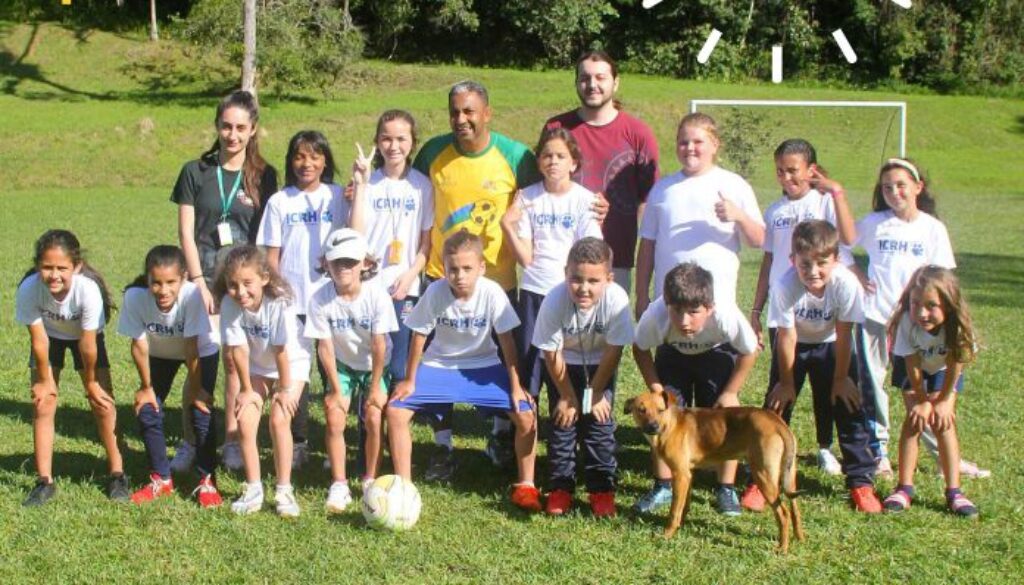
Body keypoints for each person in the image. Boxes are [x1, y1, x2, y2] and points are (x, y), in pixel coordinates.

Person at [412, 80, 540, 478]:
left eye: (469, 111)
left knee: (503, 360)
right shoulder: (433, 152)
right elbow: (408, 194)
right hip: (439, 278)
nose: (461, 119)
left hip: (497, 282)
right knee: (438, 363)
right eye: (455, 111)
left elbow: (545, 197)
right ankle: (442, 447)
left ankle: (500, 436)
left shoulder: (516, 156)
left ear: (487, 113)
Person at [386, 231, 541, 512]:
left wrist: (517, 387)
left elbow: (507, 343)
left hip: (484, 365)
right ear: (444, 267)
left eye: (467, 268)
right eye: (452, 269)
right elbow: (419, 336)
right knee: (396, 411)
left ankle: (526, 485)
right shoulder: (435, 292)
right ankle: (403, 488)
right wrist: (410, 380)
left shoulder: (492, 292)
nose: (459, 275)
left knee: (526, 413)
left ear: (481, 267)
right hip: (438, 365)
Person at [853, 158, 988, 479]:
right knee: (873, 387)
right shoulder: (873, 222)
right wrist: (856, 273)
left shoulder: (932, 228)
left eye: (901, 185)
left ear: (917, 187)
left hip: (918, 325)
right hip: (875, 318)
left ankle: (944, 459)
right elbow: (842, 245)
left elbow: (944, 280)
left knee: (925, 392)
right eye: (887, 187)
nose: (894, 192)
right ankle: (878, 455)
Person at [171, 90, 279, 471]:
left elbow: (268, 233)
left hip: (241, 288)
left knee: (236, 363)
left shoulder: (265, 176)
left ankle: (232, 439)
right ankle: (189, 440)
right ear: (217, 126)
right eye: (225, 126)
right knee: (198, 364)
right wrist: (199, 281)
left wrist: (259, 287)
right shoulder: (194, 172)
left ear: (253, 130)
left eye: (240, 128)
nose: (232, 135)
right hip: (201, 280)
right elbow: (186, 232)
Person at [742, 221, 881, 514]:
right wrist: (787, 382)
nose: (813, 271)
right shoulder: (784, 285)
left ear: (837, 260)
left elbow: (845, 334)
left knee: (849, 406)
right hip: (796, 345)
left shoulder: (845, 284)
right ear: (793, 261)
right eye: (805, 264)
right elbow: (787, 336)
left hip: (832, 344)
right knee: (776, 409)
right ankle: (760, 478)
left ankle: (860, 482)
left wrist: (842, 378)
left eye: (822, 263)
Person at [751, 139, 857, 475]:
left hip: (823, 305)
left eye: (792, 170)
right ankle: (774, 456)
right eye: (780, 170)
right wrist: (756, 309)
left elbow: (849, 238)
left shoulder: (823, 201)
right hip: (786, 307)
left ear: (810, 170)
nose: (786, 177)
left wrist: (837, 191)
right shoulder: (774, 211)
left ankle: (825, 447)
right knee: (784, 385)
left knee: (828, 386)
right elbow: (768, 261)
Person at [632, 263, 759, 516]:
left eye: (693, 312)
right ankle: (663, 484)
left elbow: (750, 350)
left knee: (724, 419)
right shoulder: (656, 315)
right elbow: (639, 347)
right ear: (666, 302)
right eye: (676, 311)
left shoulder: (725, 315)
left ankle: (726, 487)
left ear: (709, 308)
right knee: (664, 417)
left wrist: (731, 391)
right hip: (673, 355)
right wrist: (656, 388)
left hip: (716, 354)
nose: (684, 321)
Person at [257, 130, 349, 469]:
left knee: (331, 372)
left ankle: (333, 441)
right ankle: (298, 441)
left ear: (325, 160)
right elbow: (272, 255)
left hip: (329, 301)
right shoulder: (280, 201)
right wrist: (275, 293)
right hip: (291, 304)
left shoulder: (338, 196)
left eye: (314, 156)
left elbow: (353, 234)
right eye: (299, 156)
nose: (306, 163)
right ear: (290, 161)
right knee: (296, 375)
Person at [16, 229, 129, 506]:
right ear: (37, 266)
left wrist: (91, 383)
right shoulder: (29, 287)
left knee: (102, 403)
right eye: (46, 267)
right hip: (49, 337)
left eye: (61, 268)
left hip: (84, 338)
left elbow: (88, 345)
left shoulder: (88, 289)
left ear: (76, 266)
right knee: (43, 403)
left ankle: (117, 473)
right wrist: (44, 380)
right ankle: (44, 481)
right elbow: (39, 339)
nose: (54, 274)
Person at [531, 238, 633, 517]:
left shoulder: (617, 300)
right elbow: (551, 354)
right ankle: (561, 488)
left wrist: (595, 394)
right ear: (566, 273)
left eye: (593, 280)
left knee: (599, 425)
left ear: (609, 279)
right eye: (576, 279)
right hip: (564, 365)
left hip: (600, 366)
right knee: (563, 424)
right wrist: (567, 396)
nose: (584, 288)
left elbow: (614, 351)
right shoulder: (554, 300)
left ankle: (601, 489)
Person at [500, 127, 602, 401]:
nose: (553, 161)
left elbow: (590, 251)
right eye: (547, 155)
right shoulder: (527, 197)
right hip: (534, 293)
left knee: (567, 364)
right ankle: (525, 433)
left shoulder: (587, 200)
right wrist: (507, 226)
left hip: (570, 292)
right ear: (539, 162)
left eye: (560, 156)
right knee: (530, 367)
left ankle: (567, 421)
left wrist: (575, 283)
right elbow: (525, 258)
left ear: (574, 162)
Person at [544, 49, 659, 291]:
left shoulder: (638, 133)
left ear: (615, 83)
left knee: (609, 328)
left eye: (600, 77)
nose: (592, 84)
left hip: (615, 257)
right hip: (560, 258)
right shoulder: (556, 128)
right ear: (576, 82)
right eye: (585, 78)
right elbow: (544, 188)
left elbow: (648, 199)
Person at [118, 245, 222, 507]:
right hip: (161, 351)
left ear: (184, 278)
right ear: (148, 279)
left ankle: (207, 479)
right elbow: (139, 346)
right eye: (156, 283)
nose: (163, 291)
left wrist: (198, 392)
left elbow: (192, 348)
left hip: (200, 349)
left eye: (170, 283)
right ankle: (161, 479)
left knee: (202, 411)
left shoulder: (192, 296)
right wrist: (146, 387)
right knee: (148, 408)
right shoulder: (134, 297)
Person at [635, 112, 764, 319]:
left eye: (698, 142)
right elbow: (647, 245)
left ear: (714, 145)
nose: (690, 148)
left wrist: (739, 216)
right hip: (670, 306)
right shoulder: (662, 189)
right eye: (683, 142)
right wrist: (641, 296)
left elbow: (760, 240)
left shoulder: (734, 184)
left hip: (717, 305)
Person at [304, 229, 398, 513]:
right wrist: (334, 388)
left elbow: (380, 344)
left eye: (350, 262)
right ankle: (340, 483)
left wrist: (374, 387)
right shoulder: (319, 299)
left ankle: (370, 479)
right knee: (334, 416)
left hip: (374, 366)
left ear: (366, 264)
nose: (343, 268)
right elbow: (324, 347)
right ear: (325, 264)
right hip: (342, 366)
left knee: (372, 414)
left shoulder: (377, 296)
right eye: (336, 262)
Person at [214, 245, 308, 517]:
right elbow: (238, 351)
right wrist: (245, 390)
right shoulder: (230, 305)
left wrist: (286, 390)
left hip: (291, 363)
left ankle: (284, 489)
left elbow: (282, 351)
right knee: (245, 418)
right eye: (233, 285)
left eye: (247, 283)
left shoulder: (279, 303)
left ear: (264, 278)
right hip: (257, 364)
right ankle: (254, 488)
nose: (240, 292)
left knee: (279, 419)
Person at [883, 266, 980, 518]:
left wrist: (945, 400)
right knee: (914, 421)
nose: (921, 313)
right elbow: (912, 362)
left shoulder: (955, 325)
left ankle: (954, 492)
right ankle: (904, 488)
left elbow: (956, 362)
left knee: (943, 422)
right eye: (916, 303)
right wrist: (923, 400)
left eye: (931, 305)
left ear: (947, 305)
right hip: (912, 369)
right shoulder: (906, 320)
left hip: (944, 370)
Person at [348, 109, 433, 387]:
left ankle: (395, 424)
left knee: (400, 363)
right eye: (386, 139)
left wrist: (410, 276)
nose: (393, 146)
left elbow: (426, 244)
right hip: (370, 286)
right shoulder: (368, 183)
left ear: (412, 142)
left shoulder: (422, 185)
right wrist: (361, 186)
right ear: (376, 141)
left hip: (404, 287)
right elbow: (356, 236)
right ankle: (370, 425)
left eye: (401, 139)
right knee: (371, 359)